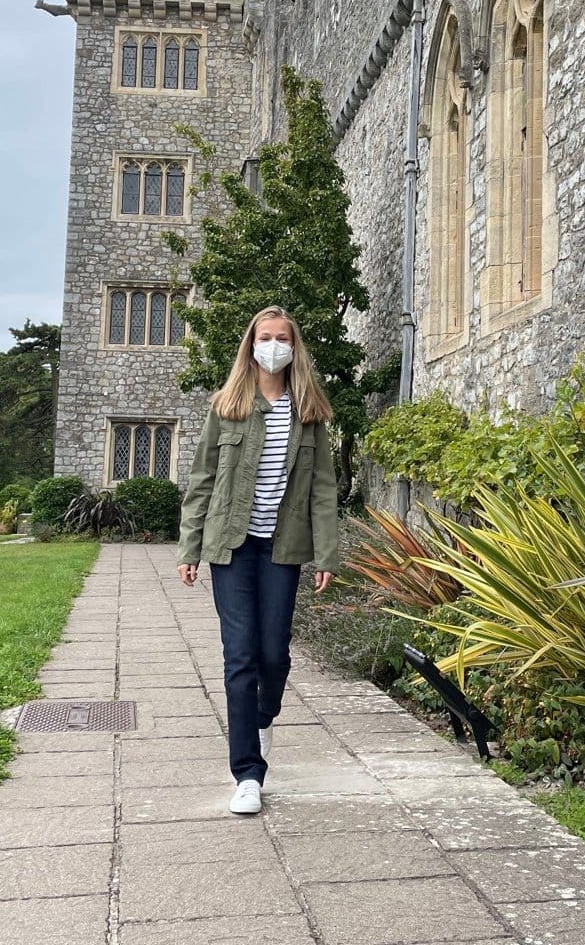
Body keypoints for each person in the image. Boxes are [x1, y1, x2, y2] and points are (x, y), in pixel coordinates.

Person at [177, 305, 339, 815]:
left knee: (274, 654)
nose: (273, 345)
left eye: (282, 337)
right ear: (251, 344)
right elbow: (201, 480)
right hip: (231, 546)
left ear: (295, 347)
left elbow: (323, 490)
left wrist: (327, 552)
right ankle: (247, 773)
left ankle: (264, 716)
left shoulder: (308, 412)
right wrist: (190, 548)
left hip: (281, 548)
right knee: (239, 657)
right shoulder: (227, 406)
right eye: (264, 337)